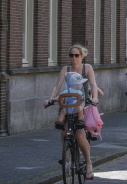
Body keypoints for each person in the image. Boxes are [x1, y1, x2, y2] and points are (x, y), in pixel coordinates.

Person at [45, 44, 99, 180]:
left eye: (76, 55)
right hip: (68, 103)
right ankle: (66, 155)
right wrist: (51, 99)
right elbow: (57, 87)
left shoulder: (87, 68)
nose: (73, 58)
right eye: (71, 55)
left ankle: (88, 164)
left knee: (80, 136)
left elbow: (93, 85)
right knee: (63, 130)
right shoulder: (66, 69)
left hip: (82, 104)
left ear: (81, 56)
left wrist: (94, 98)